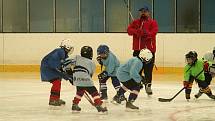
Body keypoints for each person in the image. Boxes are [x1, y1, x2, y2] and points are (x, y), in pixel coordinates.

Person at [127, 6, 158, 95]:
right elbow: (129, 30)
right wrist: (136, 31)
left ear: (148, 13)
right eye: (141, 11)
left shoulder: (153, 22)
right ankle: (137, 84)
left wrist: (145, 33)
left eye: (145, 11)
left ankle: (148, 85)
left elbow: (154, 32)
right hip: (137, 50)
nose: (143, 13)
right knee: (136, 69)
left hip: (149, 51)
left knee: (148, 70)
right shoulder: (135, 22)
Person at [71, 46, 107, 113]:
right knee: (94, 92)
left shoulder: (77, 57)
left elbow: (70, 63)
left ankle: (75, 105)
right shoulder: (91, 62)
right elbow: (90, 74)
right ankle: (98, 104)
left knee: (79, 91)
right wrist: (85, 80)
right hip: (86, 79)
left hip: (75, 79)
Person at [40, 39, 74, 106]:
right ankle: (53, 100)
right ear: (66, 47)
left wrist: (69, 77)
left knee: (58, 81)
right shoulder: (60, 52)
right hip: (48, 69)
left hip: (51, 68)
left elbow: (63, 66)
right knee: (57, 82)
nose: (70, 50)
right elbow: (54, 64)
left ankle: (56, 98)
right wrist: (67, 76)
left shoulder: (62, 53)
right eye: (70, 48)